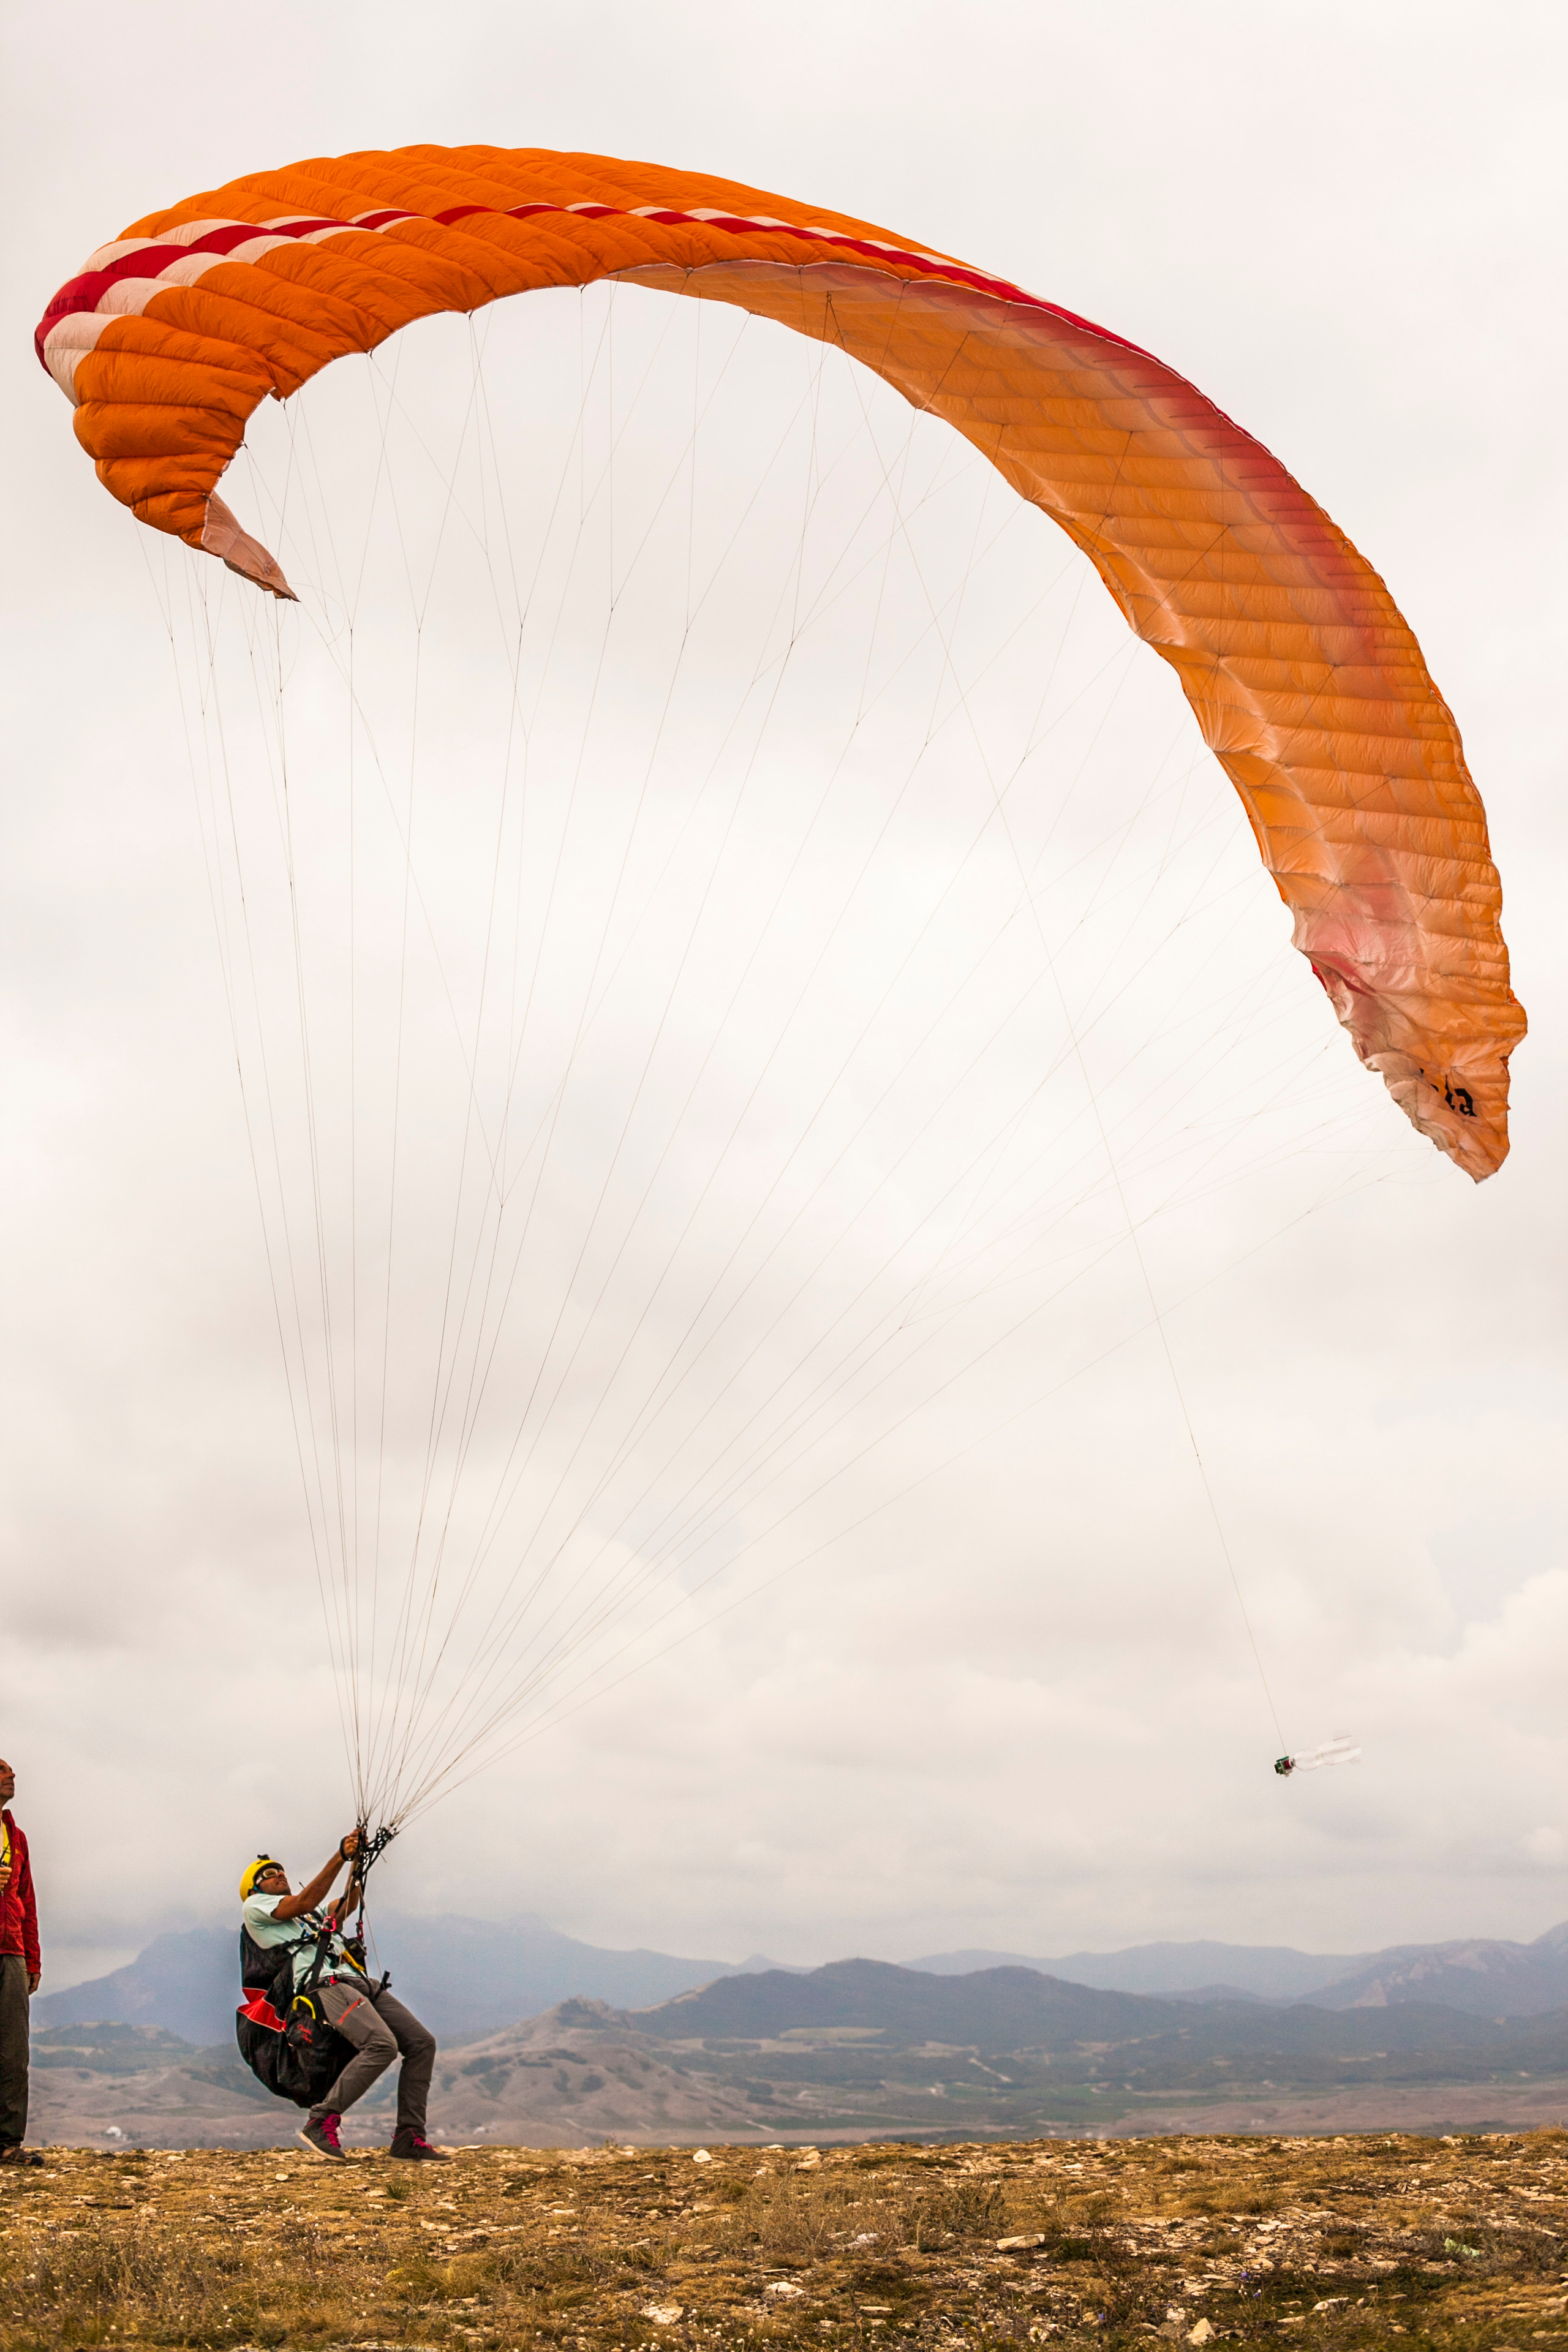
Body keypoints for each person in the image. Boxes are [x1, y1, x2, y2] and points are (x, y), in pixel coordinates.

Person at [239, 1834, 445, 2162]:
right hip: (324, 1985)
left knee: (421, 2043)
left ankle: (409, 2136)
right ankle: (321, 2120)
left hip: (357, 1981)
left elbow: (345, 1904)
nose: (279, 1874)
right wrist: (339, 1856)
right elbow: (304, 1901)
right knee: (381, 2045)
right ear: (254, 1889)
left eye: (281, 1871)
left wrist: (359, 1864)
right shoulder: (256, 1909)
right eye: (269, 1874)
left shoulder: (309, 1915)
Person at [0, 1756, 43, 2166]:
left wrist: (33, 1958)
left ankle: (8, 2142)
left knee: (14, 2049)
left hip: (10, 1947)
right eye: (1, 1770)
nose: (12, 1775)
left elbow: (25, 1897)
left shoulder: (16, 1837)